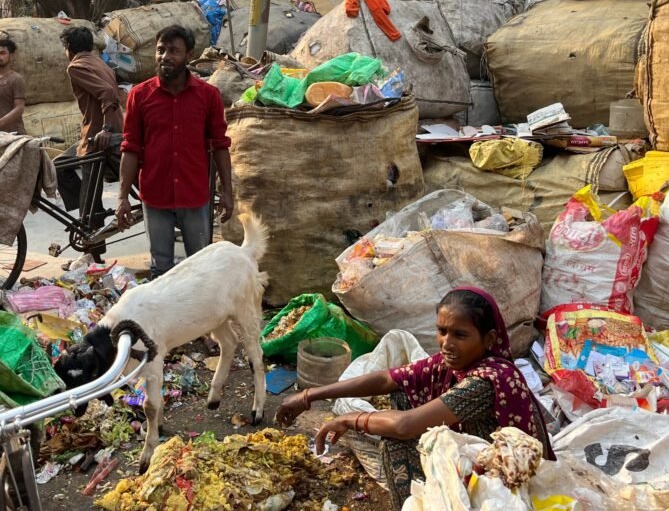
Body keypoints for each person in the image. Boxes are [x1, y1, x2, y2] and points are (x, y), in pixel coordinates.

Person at [276, 287, 556, 509]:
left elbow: (405, 426)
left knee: (395, 440)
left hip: (507, 483)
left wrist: (349, 419)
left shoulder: (487, 380)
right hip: (474, 456)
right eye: (442, 331)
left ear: (490, 339)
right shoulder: (453, 363)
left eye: (460, 335)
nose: (447, 343)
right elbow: (388, 379)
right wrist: (309, 395)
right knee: (402, 392)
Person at [116, 25, 233, 279]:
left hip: (195, 193)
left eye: (173, 51)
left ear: (188, 55)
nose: (165, 57)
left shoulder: (208, 96)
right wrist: (122, 197)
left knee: (200, 266)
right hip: (156, 194)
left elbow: (220, 146)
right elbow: (131, 147)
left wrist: (227, 191)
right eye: (160, 50)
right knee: (161, 267)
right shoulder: (139, 96)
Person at [57, 26, 124, 264]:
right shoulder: (99, 62)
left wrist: (106, 128)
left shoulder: (75, 66)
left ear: (69, 48)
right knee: (62, 164)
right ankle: (86, 221)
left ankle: (91, 247)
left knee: (89, 195)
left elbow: (107, 92)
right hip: (104, 132)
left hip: (99, 137)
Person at [0, 38, 26, 134]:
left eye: (3, 53)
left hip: (14, 134)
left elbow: (19, 108)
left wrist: (1, 122)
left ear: (11, 55)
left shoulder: (15, 79)